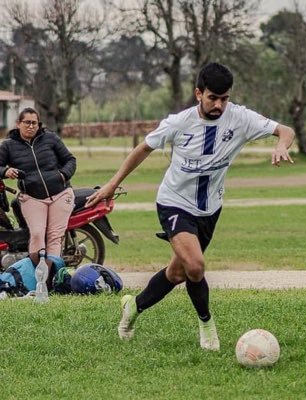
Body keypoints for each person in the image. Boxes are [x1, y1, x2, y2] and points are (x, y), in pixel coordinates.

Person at [86, 62, 295, 351]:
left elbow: (285, 130)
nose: (219, 105)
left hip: (210, 209)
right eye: (213, 98)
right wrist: (111, 183)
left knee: (178, 273)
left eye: (225, 99)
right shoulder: (179, 122)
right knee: (195, 266)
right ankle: (207, 325)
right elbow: (143, 148)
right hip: (174, 203)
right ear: (199, 93)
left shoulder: (240, 118)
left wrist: (281, 145)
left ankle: (133, 307)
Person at [0, 107, 76, 287]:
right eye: (27, 122)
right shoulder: (8, 145)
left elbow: (70, 160)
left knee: (54, 236)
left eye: (35, 123)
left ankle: (50, 281)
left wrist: (62, 175)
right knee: (36, 234)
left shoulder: (50, 138)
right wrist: (5, 171)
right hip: (32, 197)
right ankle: (36, 278)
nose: (31, 126)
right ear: (18, 124)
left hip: (60, 193)